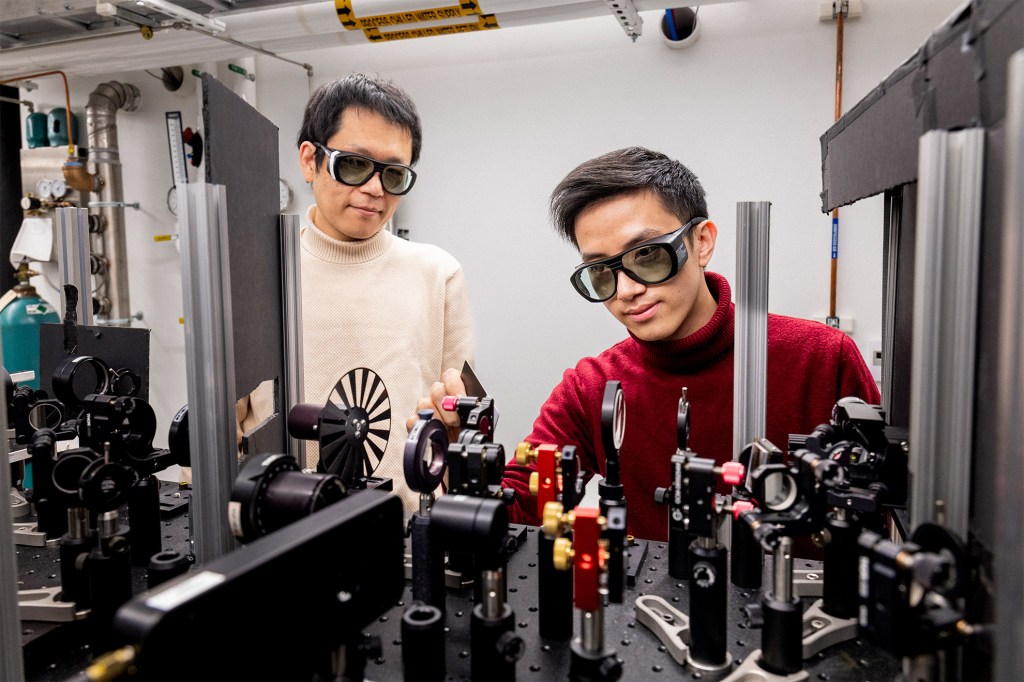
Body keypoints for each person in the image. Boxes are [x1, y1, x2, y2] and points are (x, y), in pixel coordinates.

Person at [412, 146, 879, 542]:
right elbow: (521, 513)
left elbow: (878, 514)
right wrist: (456, 464)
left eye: (648, 256)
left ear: (702, 242)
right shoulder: (591, 388)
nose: (627, 290)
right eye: (601, 272)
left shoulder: (822, 358)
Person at [297, 73, 474, 513]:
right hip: (279, 531)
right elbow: (218, 429)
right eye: (354, 165)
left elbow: (461, 422)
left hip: (407, 537)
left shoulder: (438, 273)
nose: (375, 189)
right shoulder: (257, 272)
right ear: (309, 161)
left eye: (394, 173)